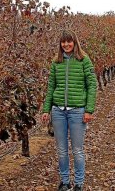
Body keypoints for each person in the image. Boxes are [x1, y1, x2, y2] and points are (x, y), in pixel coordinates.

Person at [41, 30, 97, 191]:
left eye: (69, 41)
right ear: (60, 44)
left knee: (77, 149)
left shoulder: (84, 60)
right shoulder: (56, 62)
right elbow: (51, 86)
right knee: (61, 150)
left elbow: (92, 85)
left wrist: (89, 110)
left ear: (75, 42)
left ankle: (78, 183)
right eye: (63, 42)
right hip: (58, 111)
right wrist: (47, 110)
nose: (66, 45)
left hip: (77, 111)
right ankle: (65, 182)